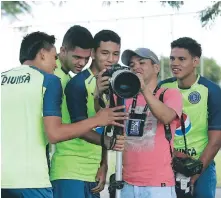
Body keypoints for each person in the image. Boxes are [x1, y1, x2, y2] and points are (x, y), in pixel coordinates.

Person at [1, 31, 127, 198]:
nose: (55, 64)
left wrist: (103, 160)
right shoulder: (49, 80)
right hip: (36, 179)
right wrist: (98, 121)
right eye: (55, 57)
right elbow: (54, 133)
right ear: (42, 54)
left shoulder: (3, 79)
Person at [96, 47, 183, 198]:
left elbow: (166, 117)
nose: (135, 67)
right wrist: (97, 94)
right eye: (131, 65)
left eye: (141, 62)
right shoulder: (123, 95)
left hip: (158, 185)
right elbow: (101, 118)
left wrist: (143, 89)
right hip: (126, 183)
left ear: (156, 68)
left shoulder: (169, 93)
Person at [50, 29, 121, 198]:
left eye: (115, 54)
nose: (110, 59)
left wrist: (103, 164)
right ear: (94, 53)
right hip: (69, 171)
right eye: (105, 53)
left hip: (92, 173)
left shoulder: (112, 86)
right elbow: (80, 128)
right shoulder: (77, 83)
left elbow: (102, 128)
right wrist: (111, 143)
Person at [159, 37, 221, 198]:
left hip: (201, 163)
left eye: (181, 59)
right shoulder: (163, 88)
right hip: (167, 163)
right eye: (172, 58)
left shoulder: (211, 90)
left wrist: (195, 174)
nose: (174, 63)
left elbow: (216, 141)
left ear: (195, 61)